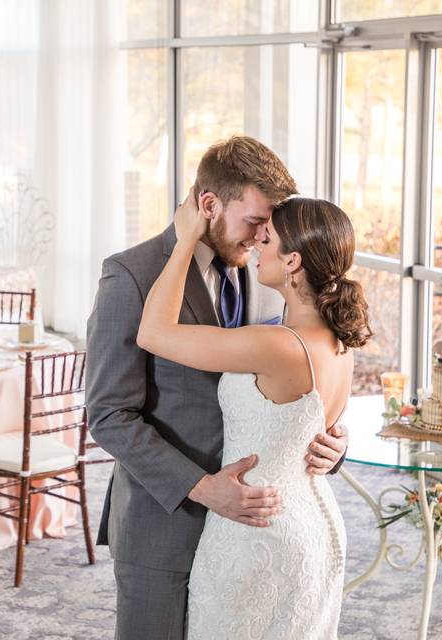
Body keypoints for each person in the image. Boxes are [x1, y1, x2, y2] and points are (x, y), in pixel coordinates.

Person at [87, 135, 352, 639]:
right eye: (255, 222)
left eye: (269, 228)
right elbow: (108, 416)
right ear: (208, 204)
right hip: (166, 524)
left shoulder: (263, 275)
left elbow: (294, 382)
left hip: (250, 535)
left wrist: (328, 437)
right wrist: (205, 488)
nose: (260, 238)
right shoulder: (131, 276)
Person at [138, 192, 372, 638]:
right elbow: (307, 428)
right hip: (314, 525)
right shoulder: (340, 344)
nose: (254, 247)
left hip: (256, 532)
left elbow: (153, 332)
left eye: (266, 240)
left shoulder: (277, 345)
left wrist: (186, 238)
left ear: (293, 262)